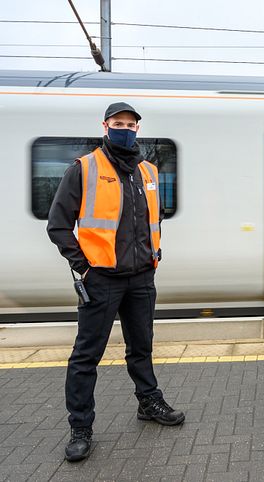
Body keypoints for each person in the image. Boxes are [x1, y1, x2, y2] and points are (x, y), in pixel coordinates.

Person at [47, 102, 184, 462]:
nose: (125, 128)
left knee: (142, 347)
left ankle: (149, 402)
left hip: (141, 278)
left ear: (138, 129)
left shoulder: (148, 171)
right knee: (86, 356)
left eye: (131, 124)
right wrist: (84, 266)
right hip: (101, 279)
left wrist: (153, 256)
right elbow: (58, 225)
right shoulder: (84, 169)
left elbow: (153, 220)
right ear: (105, 126)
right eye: (118, 123)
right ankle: (80, 427)